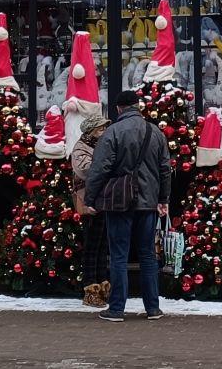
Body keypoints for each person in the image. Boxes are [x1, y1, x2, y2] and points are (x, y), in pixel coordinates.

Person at [83, 89, 170, 322]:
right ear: (138, 106)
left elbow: (100, 168)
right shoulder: (155, 132)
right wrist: (163, 199)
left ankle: (116, 309)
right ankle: (153, 308)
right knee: (148, 255)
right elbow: (165, 169)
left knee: (119, 256)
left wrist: (90, 199)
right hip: (148, 202)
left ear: (119, 108)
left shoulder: (112, 132)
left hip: (119, 202)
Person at [68, 106, 111, 309]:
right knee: (92, 246)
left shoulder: (102, 147)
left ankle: (102, 286)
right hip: (89, 202)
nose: (104, 131)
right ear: (91, 131)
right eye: (101, 128)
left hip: (102, 201)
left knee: (102, 246)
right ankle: (90, 288)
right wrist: (106, 166)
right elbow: (85, 170)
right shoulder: (81, 148)